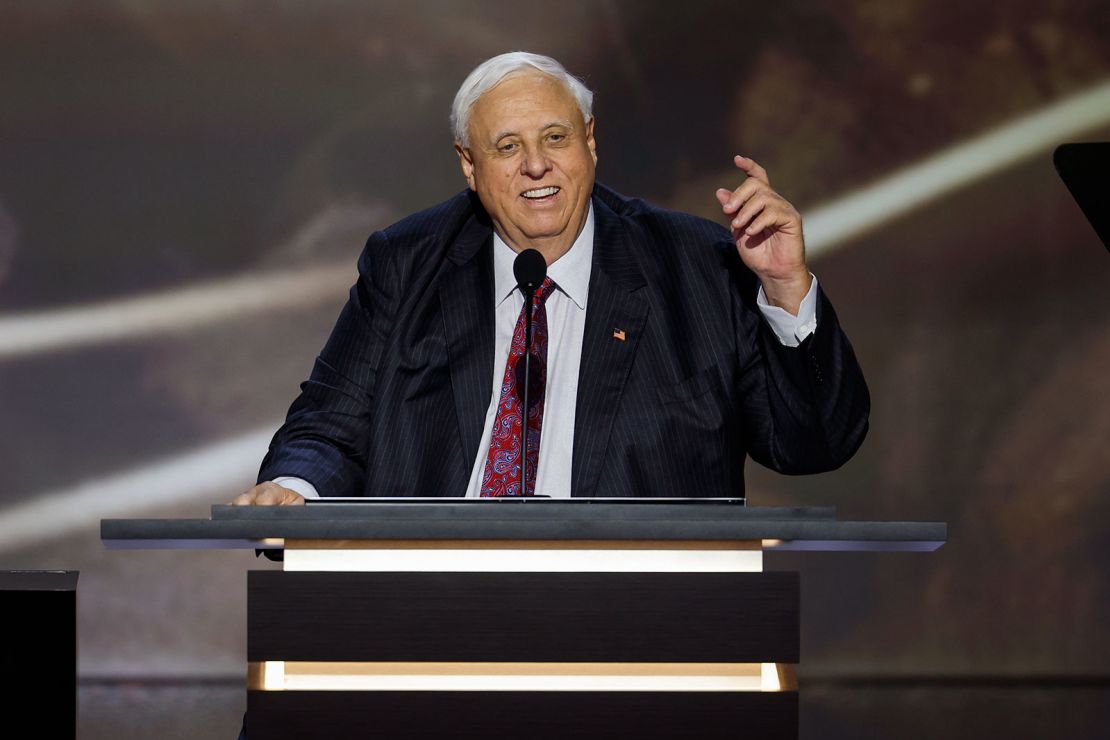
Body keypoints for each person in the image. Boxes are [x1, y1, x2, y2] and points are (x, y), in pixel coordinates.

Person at [232, 51, 868, 506]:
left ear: (590, 143)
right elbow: (328, 425)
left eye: (556, 137)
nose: (537, 165)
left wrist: (786, 290)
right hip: (435, 599)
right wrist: (294, 489)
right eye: (507, 147)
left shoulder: (694, 265)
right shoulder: (407, 262)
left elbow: (813, 444)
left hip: (644, 615)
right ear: (469, 165)